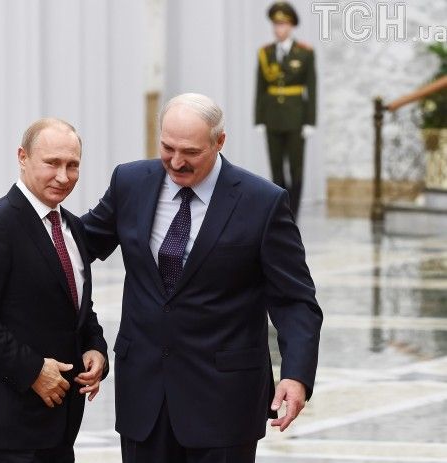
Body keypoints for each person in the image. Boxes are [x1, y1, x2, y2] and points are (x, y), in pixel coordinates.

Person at [81, 93, 323, 463]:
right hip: (144, 396)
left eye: (190, 152)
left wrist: (297, 375)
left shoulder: (263, 201)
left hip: (224, 401)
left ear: (219, 141)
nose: (177, 161)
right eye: (167, 147)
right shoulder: (130, 182)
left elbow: (295, 301)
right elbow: (77, 248)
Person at [0, 118, 108, 463]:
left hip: (59, 427)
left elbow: (77, 304)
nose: (63, 176)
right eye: (52, 163)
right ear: (22, 157)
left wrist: (95, 346)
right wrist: (33, 370)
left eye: (72, 165)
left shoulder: (73, 227)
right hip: (6, 429)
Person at [254, 1, 317, 218]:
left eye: (283, 24)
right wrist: (259, 118)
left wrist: (310, 121)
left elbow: (311, 88)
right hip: (272, 117)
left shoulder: (305, 53)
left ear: (291, 26)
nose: (278, 29)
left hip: (296, 118)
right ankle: (281, 213)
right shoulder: (265, 53)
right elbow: (260, 87)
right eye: (276, 24)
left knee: (296, 169)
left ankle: (293, 214)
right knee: (276, 168)